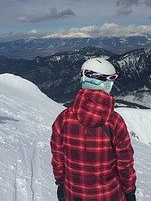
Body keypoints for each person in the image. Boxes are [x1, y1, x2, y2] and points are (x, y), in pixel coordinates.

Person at [52, 58, 137, 201]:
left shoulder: (63, 119)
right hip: (110, 194)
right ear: (105, 83)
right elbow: (125, 163)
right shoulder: (114, 121)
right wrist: (129, 190)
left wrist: (61, 183)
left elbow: (58, 159)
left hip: (74, 193)